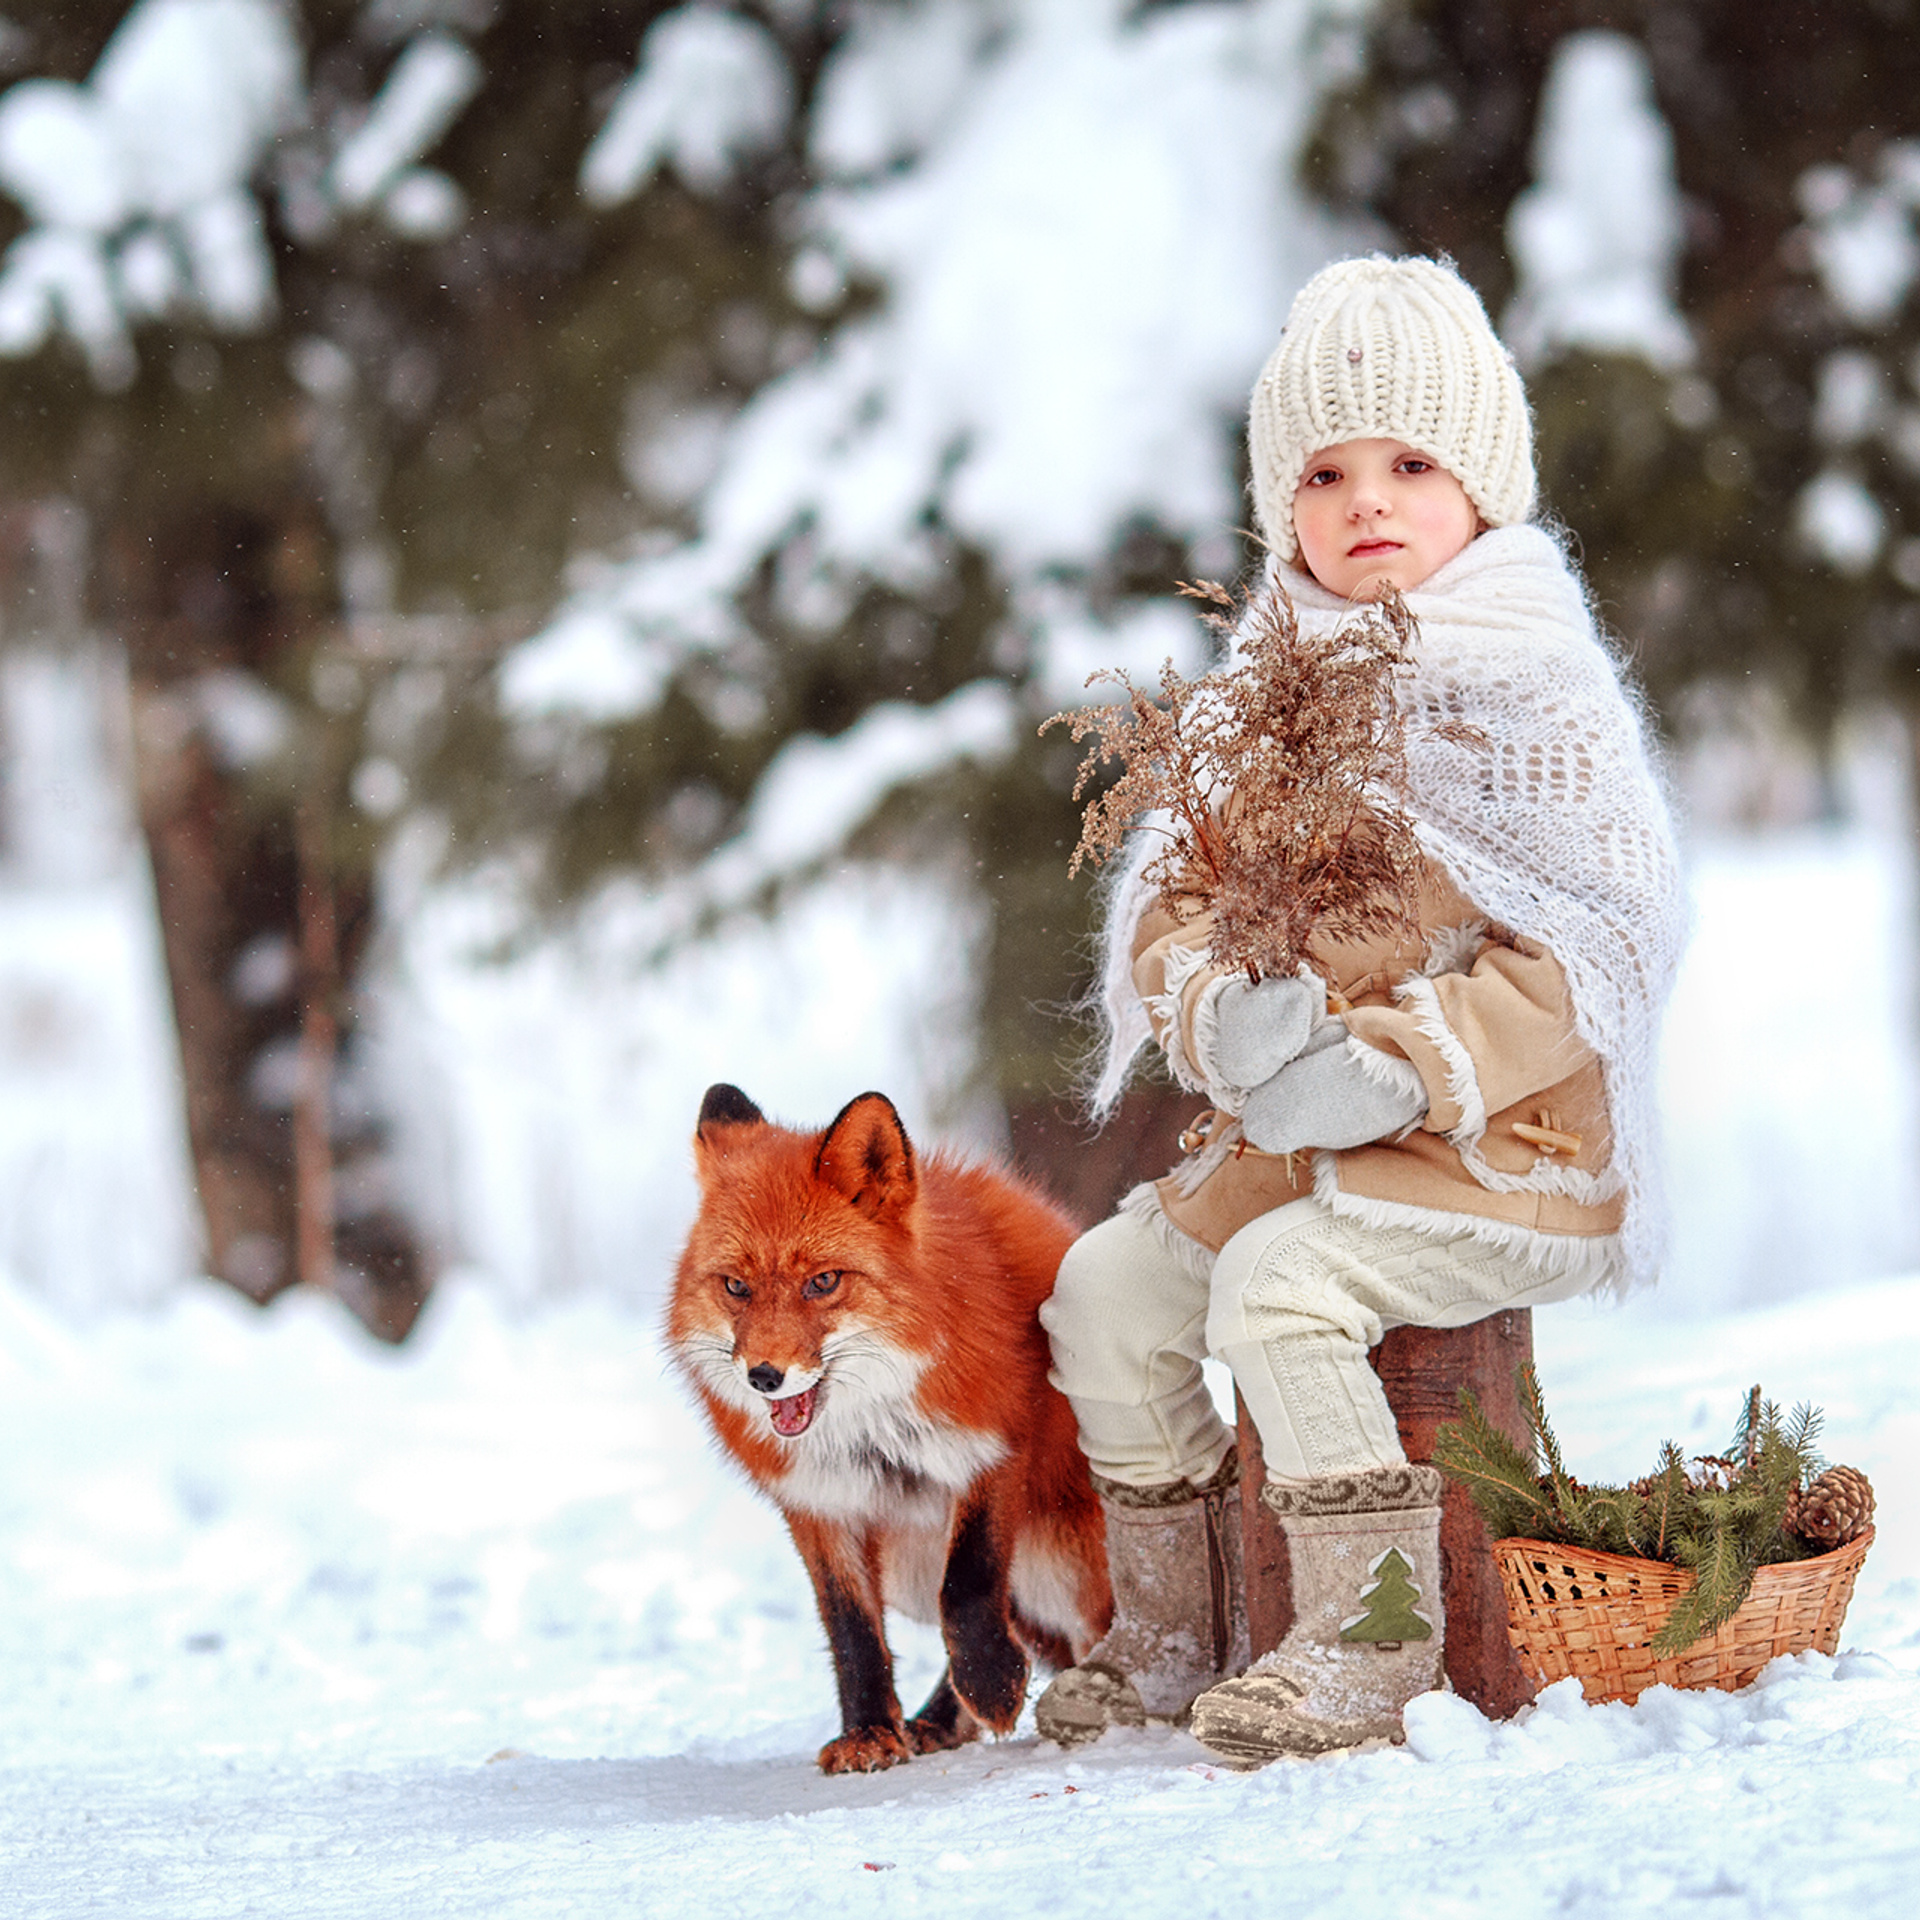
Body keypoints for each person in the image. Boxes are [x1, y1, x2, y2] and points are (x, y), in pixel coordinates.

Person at [1032, 255, 1686, 1766]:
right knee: (1108, 1294)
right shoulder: (1268, 682)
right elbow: (1177, 899)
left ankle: (1371, 1637)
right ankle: (1178, 1627)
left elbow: (1602, 943)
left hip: (1492, 1148)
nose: (1367, 501)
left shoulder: (1539, 685)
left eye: (1410, 462)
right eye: (1325, 471)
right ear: (1282, 503)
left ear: (1483, 484)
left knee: (1278, 1283)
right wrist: (1215, 1014)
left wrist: (1404, 1064)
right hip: (1293, 1131)